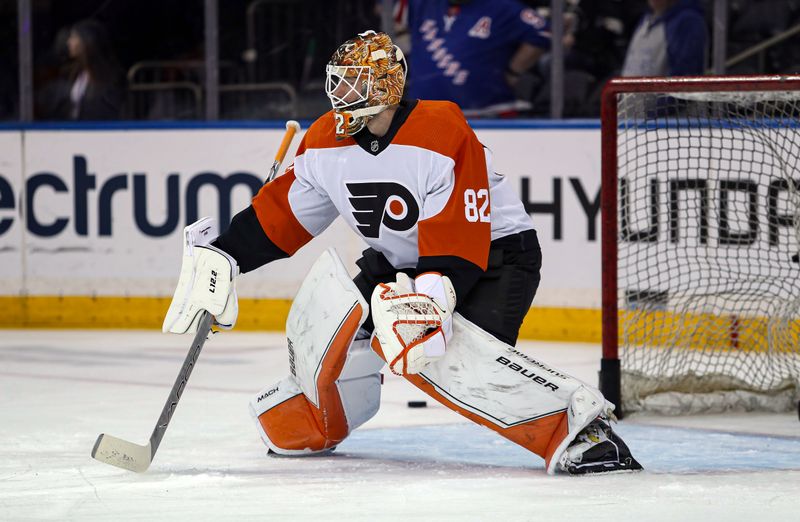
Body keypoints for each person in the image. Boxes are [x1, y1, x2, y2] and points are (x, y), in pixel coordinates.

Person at [162, 30, 641, 475]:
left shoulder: (441, 132)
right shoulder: (323, 141)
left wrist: (429, 306)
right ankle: (312, 418)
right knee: (329, 328)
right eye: (339, 83)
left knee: (444, 356)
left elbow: (460, 238)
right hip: (398, 261)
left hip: (492, 259)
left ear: (388, 88)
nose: (342, 96)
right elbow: (284, 215)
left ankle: (582, 429)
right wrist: (224, 258)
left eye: (356, 84)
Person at [403, 0, 553, 117]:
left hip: (487, 113)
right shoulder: (423, 4)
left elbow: (543, 32)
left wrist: (514, 71)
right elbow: (387, 10)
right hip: (425, 113)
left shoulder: (502, 7)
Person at [39, 19, 126, 121]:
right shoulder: (73, 73)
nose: (69, 42)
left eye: (74, 37)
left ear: (87, 42)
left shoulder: (111, 78)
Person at [621, 0, 707, 77]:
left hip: (656, 93)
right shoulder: (646, 18)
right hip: (630, 93)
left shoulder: (687, 22)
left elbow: (684, 80)